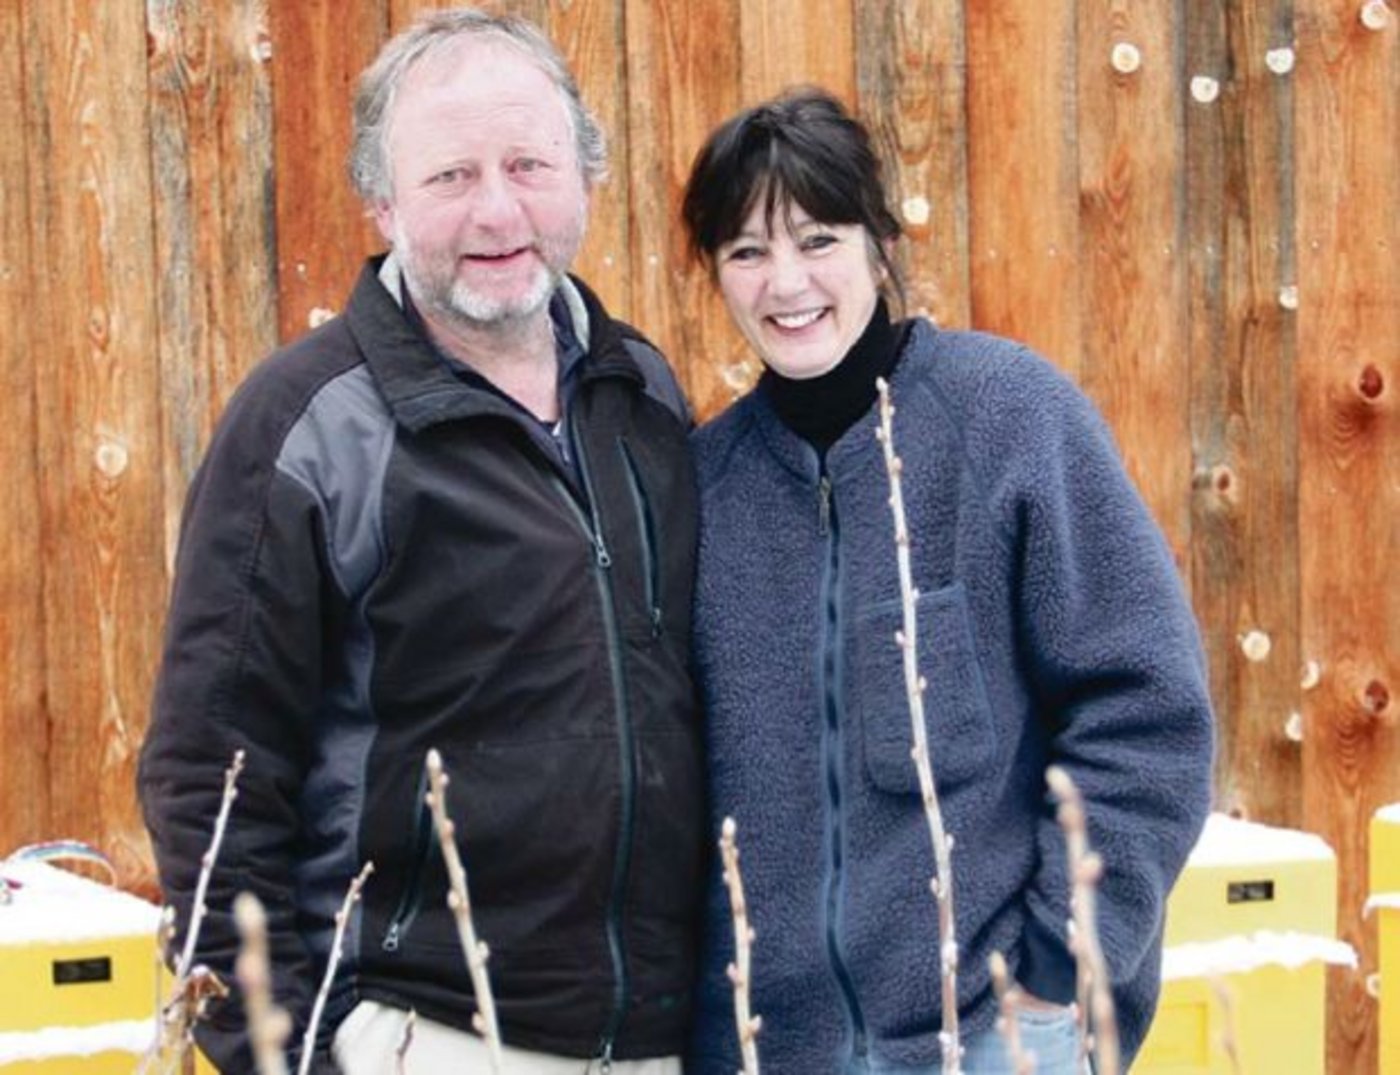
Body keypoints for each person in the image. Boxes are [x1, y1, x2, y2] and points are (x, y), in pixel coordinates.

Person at [138, 10, 703, 1074]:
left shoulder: (639, 393)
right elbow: (208, 773)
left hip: (653, 1038)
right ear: (381, 202)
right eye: (449, 176)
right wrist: (284, 1048)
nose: (497, 208)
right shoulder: (306, 426)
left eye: (527, 164)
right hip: (422, 1034)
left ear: (585, 175)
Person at [680, 88, 1214, 1074]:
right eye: (746, 251)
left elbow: (1147, 713)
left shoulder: (1006, 419)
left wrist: (1058, 964)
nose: (783, 281)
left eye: (816, 238)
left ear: (878, 240)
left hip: (994, 1036)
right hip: (764, 1051)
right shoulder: (702, 491)